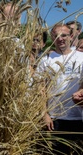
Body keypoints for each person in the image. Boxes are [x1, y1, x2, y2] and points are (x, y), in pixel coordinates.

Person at [37, 23, 83, 155]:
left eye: (64, 35)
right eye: (56, 36)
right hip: (55, 118)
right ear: (52, 37)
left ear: (71, 36)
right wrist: (44, 113)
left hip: (79, 117)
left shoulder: (81, 57)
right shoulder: (46, 60)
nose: (60, 39)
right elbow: (41, 88)